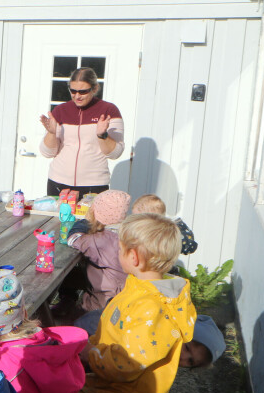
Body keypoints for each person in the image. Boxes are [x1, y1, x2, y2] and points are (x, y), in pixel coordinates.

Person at [67, 213, 196, 393]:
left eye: (121, 250)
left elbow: (128, 364)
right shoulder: (140, 287)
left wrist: (90, 354)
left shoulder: (152, 309)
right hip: (112, 382)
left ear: (134, 257)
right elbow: (114, 331)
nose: (118, 254)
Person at [39, 67, 125, 197]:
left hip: (94, 185)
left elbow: (115, 153)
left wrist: (103, 135)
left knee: (90, 219)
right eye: (73, 91)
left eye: (83, 92)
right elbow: (47, 152)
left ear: (94, 89)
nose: (77, 96)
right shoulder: (60, 110)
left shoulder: (109, 110)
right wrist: (51, 133)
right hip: (58, 183)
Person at [75, 311, 224, 369]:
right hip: (86, 337)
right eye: (186, 348)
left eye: (191, 362)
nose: (183, 357)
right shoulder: (153, 337)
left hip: (98, 355)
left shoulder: (164, 356)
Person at [65, 189, 132, 312]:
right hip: (127, 299)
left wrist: (85, 222)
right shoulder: (128, 236)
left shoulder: (100, 241)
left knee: (67, 275)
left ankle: (64, 307)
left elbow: (73, 239)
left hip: (105, 305)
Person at [131, 194, 198, 255]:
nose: (135, 222)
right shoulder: (137, 231)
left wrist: (167, 239)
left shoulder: (169, 229)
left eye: (138, 220)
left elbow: (190, 246)